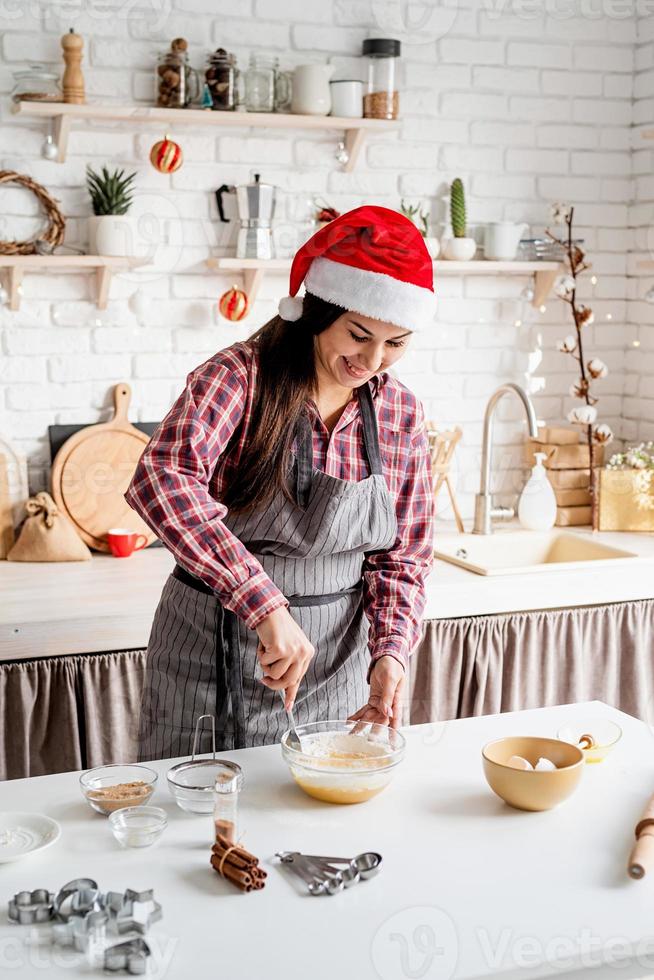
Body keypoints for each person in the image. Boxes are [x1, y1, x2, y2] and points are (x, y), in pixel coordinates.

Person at [125, 205, 435, 759]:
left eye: (396, 344)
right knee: (195, 824)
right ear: (319, 311)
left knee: (312, 823)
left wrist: (389, 655)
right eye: (358, 335)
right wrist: (264, 604)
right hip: (210, 655)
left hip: (336, 667)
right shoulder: (239, 377)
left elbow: (403, 559)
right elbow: (162, 478)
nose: (372, 360)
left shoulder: (400, 414)